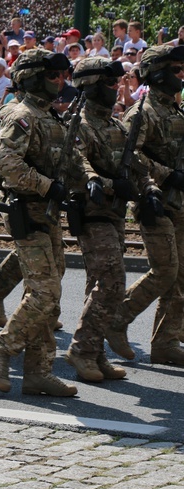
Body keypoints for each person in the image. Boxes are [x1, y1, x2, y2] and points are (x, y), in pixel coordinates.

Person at [0, 48, 82, 397]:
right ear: (33, 77)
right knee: (45, 292)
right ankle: (0, 350)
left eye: (61, 75)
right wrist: (46, 185)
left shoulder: (50, 115)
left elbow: (68, 159)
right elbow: (5, 161)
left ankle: (38, 372)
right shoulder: (22, 114)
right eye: (53, 75)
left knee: (49, 293)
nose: (60, 81)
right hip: (27, 209)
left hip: (47, 212)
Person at [65, 57, 153, 381]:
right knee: (113, 282)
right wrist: (110, 184)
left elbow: (137, 166)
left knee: (97, 285)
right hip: (92, 213)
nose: (115, 88)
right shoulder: (78, 126)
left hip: (113, 215)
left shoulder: (116, 126)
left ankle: (96, 354)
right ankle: (81, 350)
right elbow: (77, 165)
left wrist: (150, 189)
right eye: (107, 82)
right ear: (88, 86)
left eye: (116, 82)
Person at [112, 45, 184, 366]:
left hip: (179, 202)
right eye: (176, 68)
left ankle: (166, 342)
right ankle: (117, 317)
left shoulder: (174, 111)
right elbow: (130, 158)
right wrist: (168, 176)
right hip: (154, 201)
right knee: (165, 271)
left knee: (181, 275)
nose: (181, 74)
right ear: (158, 73)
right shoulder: (141, 113)